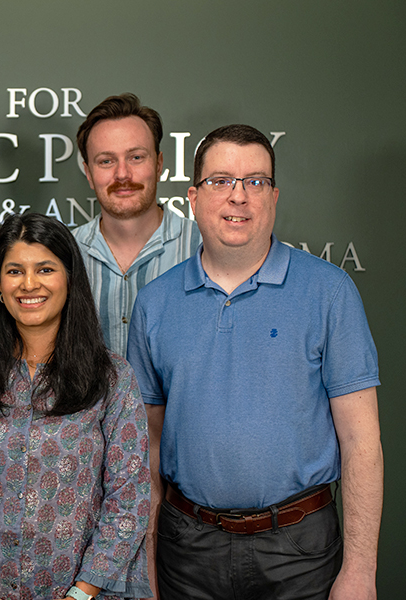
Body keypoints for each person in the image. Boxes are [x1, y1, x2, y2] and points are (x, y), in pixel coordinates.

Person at [127, 124, 383, 599]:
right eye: (221, 181)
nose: (238, 196)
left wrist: (361, 571)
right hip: (186, 549)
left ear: (274, 196)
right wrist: (145, 563)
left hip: (300, 549)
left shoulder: (329, 292)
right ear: (194, 198)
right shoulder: (155, 304)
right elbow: (147, 448)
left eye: (255, 182)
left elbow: (361, 441)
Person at [0, 212, 152, 600]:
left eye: (45, 269)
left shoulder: (112, 379)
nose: (29, 284)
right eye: (14, 271)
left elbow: (128, 501)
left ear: (69, 278)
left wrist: (80, 594)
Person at [72, 93, 200, 356]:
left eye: (136, 157)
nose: (122, 174)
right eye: (106, 161)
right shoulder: (63, 255)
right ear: (88, 173)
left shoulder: (203, 248)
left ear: (159, 163)